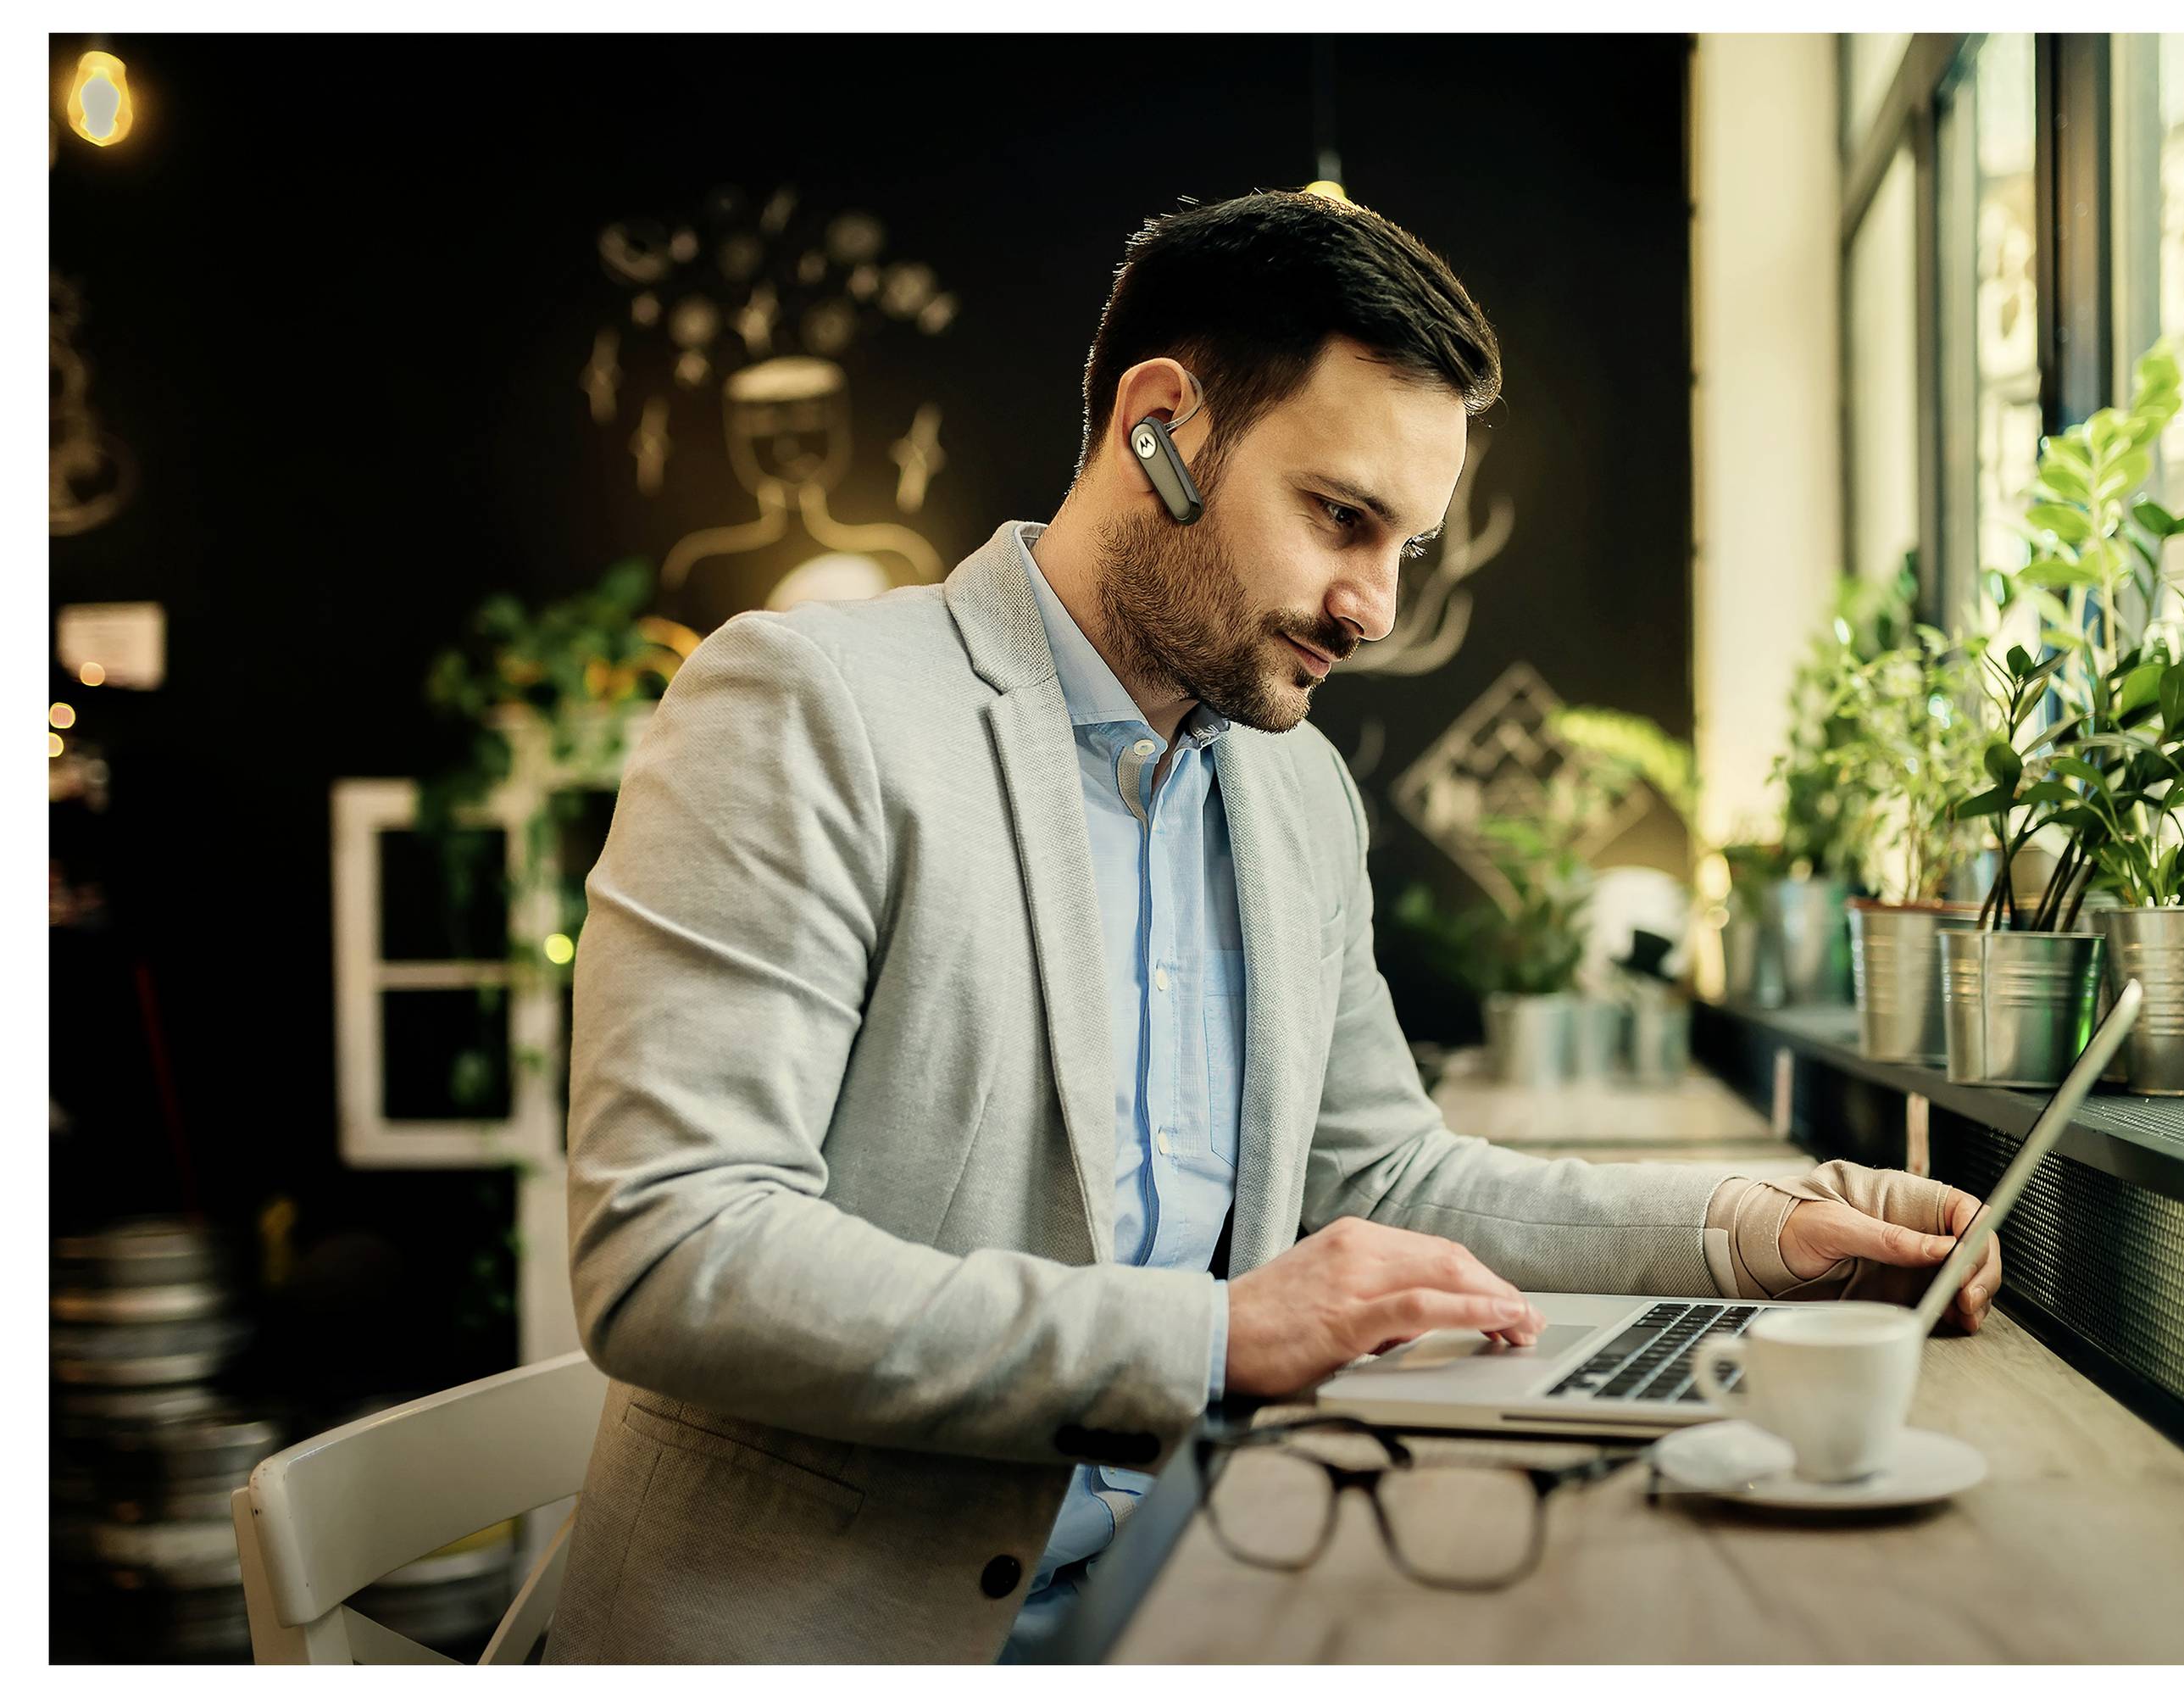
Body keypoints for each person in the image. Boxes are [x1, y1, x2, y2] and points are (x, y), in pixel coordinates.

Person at [542, 190, 2000, 1666]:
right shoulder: (806, 705)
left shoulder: (1295, 791)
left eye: (1406, 548)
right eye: (1340, 517)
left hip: (1198, 1591)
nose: (1371, 606)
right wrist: (1212, 1341)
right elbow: (675, 1250)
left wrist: (1750, 1235)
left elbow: (1383, 1172)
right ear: (1161, 424)